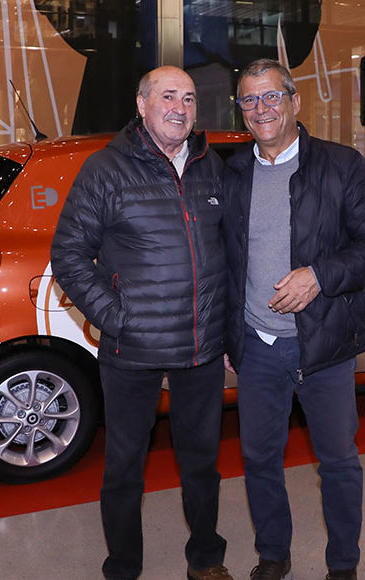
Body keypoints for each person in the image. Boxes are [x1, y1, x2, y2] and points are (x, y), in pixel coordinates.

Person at [51, 65, 232, 580]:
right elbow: (68, 254)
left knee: (202, 463)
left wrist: (229, 327)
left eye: (189, 98)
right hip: (131, 348)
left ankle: (206, 560)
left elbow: (231, 250)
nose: (180, 108)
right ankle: (124, 567)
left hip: (201, 345)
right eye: (168, 96)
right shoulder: (105, 169)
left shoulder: (211, 166)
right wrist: (116, 317)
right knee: (125, 466)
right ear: (142, 105)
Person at [221, 59, 365, 580]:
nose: (261, 109)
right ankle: (273, 556)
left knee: (338, 462)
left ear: (295, 102)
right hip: (256, 347)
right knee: (259, 461)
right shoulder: (232, 173)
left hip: (324, 345)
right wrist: (228, 334)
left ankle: (343, 565)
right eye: (249, 100)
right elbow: (221, 259)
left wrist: (319, 276)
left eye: (271, 96)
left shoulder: (341, 165)